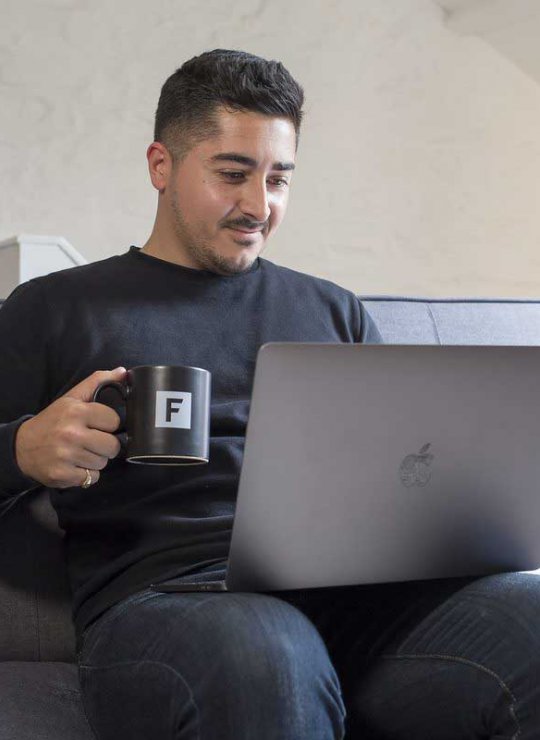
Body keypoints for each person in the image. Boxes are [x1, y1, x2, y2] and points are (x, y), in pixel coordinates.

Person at [0, 48, 538, 740]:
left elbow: (404, 477)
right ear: (161, 166)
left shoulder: (332, 311)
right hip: (171, 605)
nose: (259, 205)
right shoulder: (55, 307)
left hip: (354, 609)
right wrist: (23, 447)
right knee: (269, 649)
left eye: (279, 180)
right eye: (234, 174)